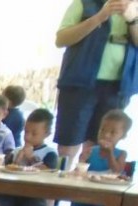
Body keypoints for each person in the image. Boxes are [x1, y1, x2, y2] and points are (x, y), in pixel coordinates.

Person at [54, 0, 138, 164]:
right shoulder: (83, 3)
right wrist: (99, 17)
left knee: (102, 144)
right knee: (68, 144)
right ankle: (60, 184)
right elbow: (61, 39)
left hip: (118, 87)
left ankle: (87, 185)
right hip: (79, 82)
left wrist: (133, 20)